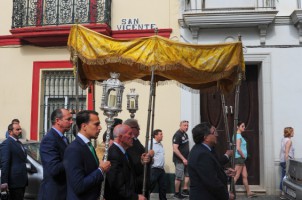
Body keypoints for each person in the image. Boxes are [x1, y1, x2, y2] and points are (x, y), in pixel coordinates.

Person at [63, 110, 111, 200]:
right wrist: (101, 170)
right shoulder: (74, 149)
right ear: (84, 126)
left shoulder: (89, 146)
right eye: (96, 124)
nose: (100, 128)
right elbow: (79, 186)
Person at [188, 122, 235, 200]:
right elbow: (212, 181)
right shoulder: (202, 154)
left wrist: (225, 172)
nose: (217, 135)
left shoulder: (205, 150)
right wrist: (226, 195)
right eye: (214, 132)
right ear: (206, 137)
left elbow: (210, 170)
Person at [104, 124, 148, 200]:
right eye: (130, 134)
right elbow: (116, 185)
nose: (133, 137)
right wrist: (135, 197)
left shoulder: (124, 152)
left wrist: (142, 161)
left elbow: (131, 173)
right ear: (120, 137)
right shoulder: (114, 154)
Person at [39, 108, 73, 200]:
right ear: (58, 121)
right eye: (68, 119)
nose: (71, 122)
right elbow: (54, 169)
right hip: (54, 193)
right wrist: (73, 159)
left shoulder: (64, 139)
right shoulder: (49, 139)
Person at [0, 123, 28, 200]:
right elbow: (5, 163)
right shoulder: (7, 144)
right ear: (10, 132)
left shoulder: (19, 142)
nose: (20, 131)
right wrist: (4, 182)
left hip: (21, 181)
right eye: (17, 129)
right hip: (13, 182)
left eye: (20, 129)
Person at [233, 121, 256, 198]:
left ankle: (249, 192)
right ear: (237, 127)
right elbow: (238, 148)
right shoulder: (238, 136)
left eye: (244, 126)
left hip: (241, 159)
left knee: (245, 176)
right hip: (240, 158)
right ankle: (228, 193)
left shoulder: (237, 136)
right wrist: (243, 155)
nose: (244, 127)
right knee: (236, 176)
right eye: (242, 126)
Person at [123, 118, 146, 194]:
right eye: (137, 128)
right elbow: (134, 160)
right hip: (134, 180)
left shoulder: (136, 140)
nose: (139, 130)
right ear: (130, 128)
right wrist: (142, 160)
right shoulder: (128, 142)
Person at [172, 120, 190, 199]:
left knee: (188, 174)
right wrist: (183, 159)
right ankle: (176, 193)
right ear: (180, 126)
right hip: (179, 160)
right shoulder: (177, 135)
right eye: (184, 125)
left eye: (187, 125)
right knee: (179, 177)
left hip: (186, 159)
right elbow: (175, 149)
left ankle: (185, 190)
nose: (186, 127)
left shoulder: (185, 134)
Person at [150, 129, 167, 200]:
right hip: (154, 169)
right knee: (150, 186)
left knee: (163, 187)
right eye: (160, 134)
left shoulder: (160, 145)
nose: (162, 136)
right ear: (155, 135)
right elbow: (147, 155)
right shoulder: (150, 144)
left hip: (161, 169)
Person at [279, 127, 295, 199]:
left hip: (282, 160)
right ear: (289, 132)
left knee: (283, 177)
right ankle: (284, 193)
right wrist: (287, 164)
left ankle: (283, 193)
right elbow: (286, 153)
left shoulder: (283, 139)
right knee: (286, 178)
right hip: (286, 161)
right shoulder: (289, 141)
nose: (293, 133)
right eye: (292, 132)